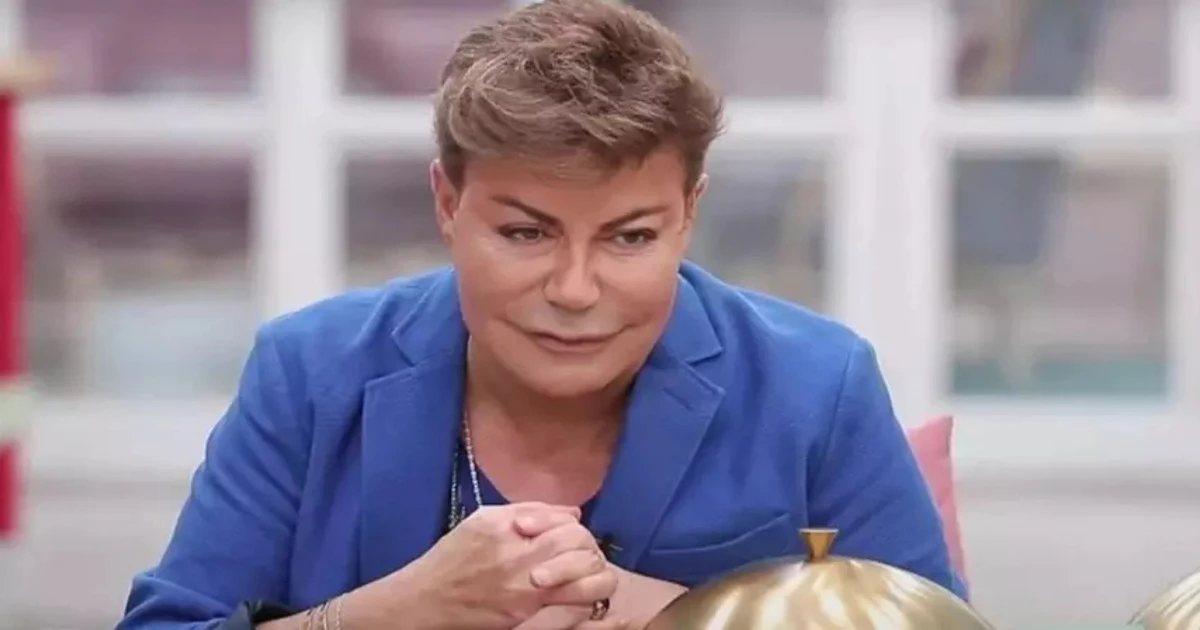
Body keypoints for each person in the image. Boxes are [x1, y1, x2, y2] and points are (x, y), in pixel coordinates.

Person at [118, 1, 963, 628]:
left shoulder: (817, 385)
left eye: (630, 237)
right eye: (526, 233)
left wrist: (682, 616)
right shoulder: (309, 371)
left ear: (688, 215)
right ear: (448, 203)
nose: (574, 289)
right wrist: (395, 612)